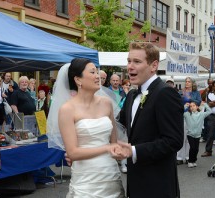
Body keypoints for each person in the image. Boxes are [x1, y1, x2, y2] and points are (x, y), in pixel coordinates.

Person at [113, 42, 184, 197]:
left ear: (154, 66)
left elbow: (174, 141)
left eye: (137, 62)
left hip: (158, 185)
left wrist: (133, 151)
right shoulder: (131, 95)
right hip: (135, 182)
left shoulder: (166, 93)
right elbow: (116, 126)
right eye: (129, 61)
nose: (130, 66)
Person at [46, 59, 125, 197]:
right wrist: (106, 148)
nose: (97, 76)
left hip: (110, 175)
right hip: (86, 179)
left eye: (97, 71)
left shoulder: (106, 103)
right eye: (92, 72)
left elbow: (114, 143)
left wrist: (122, 150)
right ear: (78, 80)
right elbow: (72, 153)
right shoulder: (67, 109)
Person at [177, 77, 201, 165]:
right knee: (182, 136)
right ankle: (179, 157)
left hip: (192, 116)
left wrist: (191, 101)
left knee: (189, 137)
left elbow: (199, 102)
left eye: (189, 81)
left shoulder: (196, 93)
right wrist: (183, 105)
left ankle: (188, 157)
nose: (187, 83)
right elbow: (177, 102)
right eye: (186, 81)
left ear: (192, 83)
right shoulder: (181, 92)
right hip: (183, 115)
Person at [184, 101, 211, 168]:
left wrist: (204, 104)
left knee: (196, 149)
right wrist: (185, 106)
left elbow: (210, 111)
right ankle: (190, 161)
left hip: (198, 134)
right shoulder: (187, 114)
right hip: (190, 134)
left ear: (197, 107)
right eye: (190, 106)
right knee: (192, 148)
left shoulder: (201, 114)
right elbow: (179, 113)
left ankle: (194, 161)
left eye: (194, 105)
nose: (192, 107)